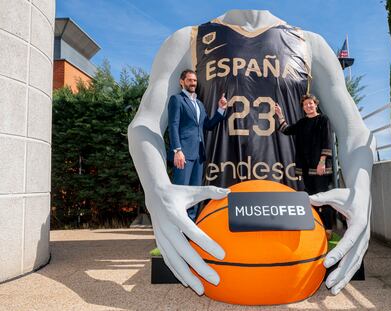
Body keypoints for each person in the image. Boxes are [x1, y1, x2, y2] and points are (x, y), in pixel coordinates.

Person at [128, 10, 375, 296]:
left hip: (292, 214)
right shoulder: (187, 40)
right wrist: (155, 185)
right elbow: (145, 123)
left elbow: (354, 129)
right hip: (218, 211)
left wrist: (360, 189)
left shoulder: (311, 45)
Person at [168, 69, 227, 220]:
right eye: (189, 80)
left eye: (194, 80)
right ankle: (178, 226)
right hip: (184, 154)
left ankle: (191, 226)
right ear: (182, 82)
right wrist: (177, 150)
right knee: (181, 193)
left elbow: (207, 125)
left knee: (194, 194)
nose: (193, 83)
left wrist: (221, 109)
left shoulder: (199, 104)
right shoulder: (177, 100)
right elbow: (173, 125)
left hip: (199, 154)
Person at [275, 94, 335, 238]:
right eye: (305, 104)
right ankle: (315, 227)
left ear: (315, 104)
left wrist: (322, 162)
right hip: (307, 168)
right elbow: (286, 130)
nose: (308, 106)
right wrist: (280, 115)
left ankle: (328, 229)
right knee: (311, 198)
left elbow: (327, 141)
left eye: (311, 103)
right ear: (303, 107)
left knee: (323, 198)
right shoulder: (302, 123)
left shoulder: (323, 120)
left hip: (320, 167)